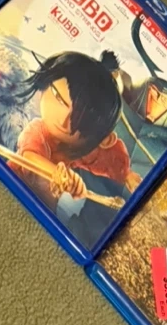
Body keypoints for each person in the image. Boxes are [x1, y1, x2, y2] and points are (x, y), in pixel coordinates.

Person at [11, 51, 141, 209]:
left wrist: (127, 175)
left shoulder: (78, 148)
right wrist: (60, 174)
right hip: (10, 185)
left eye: (79, 119)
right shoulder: (38, 131)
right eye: (59, 99)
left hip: (41, 207)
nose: (64, 121)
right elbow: (30, 156)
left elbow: (107, 157)